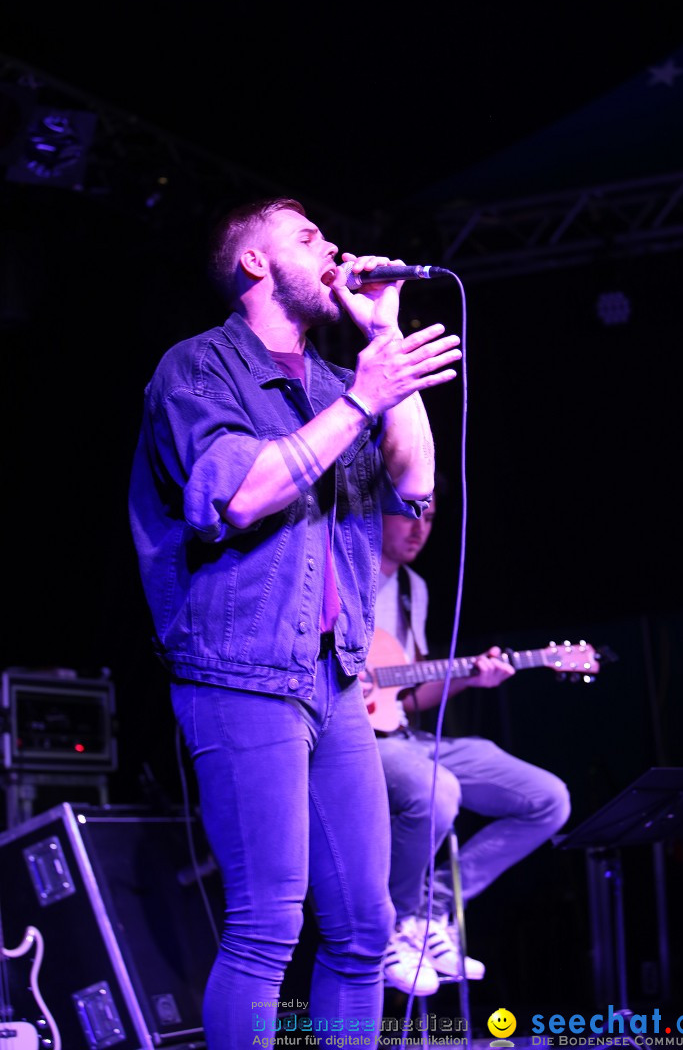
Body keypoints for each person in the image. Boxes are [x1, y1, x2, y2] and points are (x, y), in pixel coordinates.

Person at [127, 196, 462, 1050]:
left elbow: (414, 485)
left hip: (336, 675)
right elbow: (238, 495)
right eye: (307, 235)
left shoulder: (333, 378)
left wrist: (382, 343)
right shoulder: (197, 369)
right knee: (266, 925)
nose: (332, 246)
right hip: (238, 673)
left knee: (361, 926)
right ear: (253, 263)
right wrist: (364, 395)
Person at [364, 496, 572, 996]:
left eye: (430, 519)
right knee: (439, 790)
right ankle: (397, 922)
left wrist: (470, 679)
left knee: (547, 799)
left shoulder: (415, 590)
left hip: (402, 733)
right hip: (354, 741)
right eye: (409, 514)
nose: (420, 529)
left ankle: (431, 911)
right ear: (376, 512)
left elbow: (405, 696)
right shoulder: (344, 571)